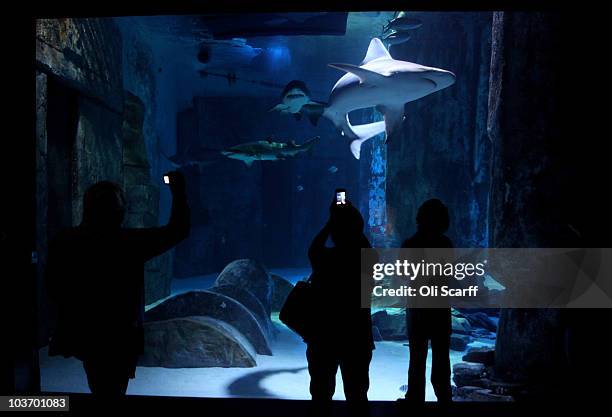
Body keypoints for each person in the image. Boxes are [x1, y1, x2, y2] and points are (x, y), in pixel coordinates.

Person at [45, 170, 190, 401]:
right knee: (112, 390)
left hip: (85, 333)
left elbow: (52, 287)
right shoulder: (128, 243)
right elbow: (178, 230)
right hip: (119, 336)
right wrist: (178, 190)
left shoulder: (64, 241)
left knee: (98, 381)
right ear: (119, 213)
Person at [306, 195, 376, 416]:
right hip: (357, 335)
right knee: (357, 396)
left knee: (320, 394)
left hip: (323, 335)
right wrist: (350, 220)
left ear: (334, 231)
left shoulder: (325, 259)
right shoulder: (367, 259)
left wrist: (332, 220)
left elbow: (313, 248)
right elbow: (363, 243)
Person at [402, 198, 453, 404]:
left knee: (417, 359)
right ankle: (444, 399)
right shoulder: (446, 243)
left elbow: (404, 274)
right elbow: (449, 276)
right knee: (442, 359)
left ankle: (415, 400)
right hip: (440, 309)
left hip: (418, 310)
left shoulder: (410, 244)